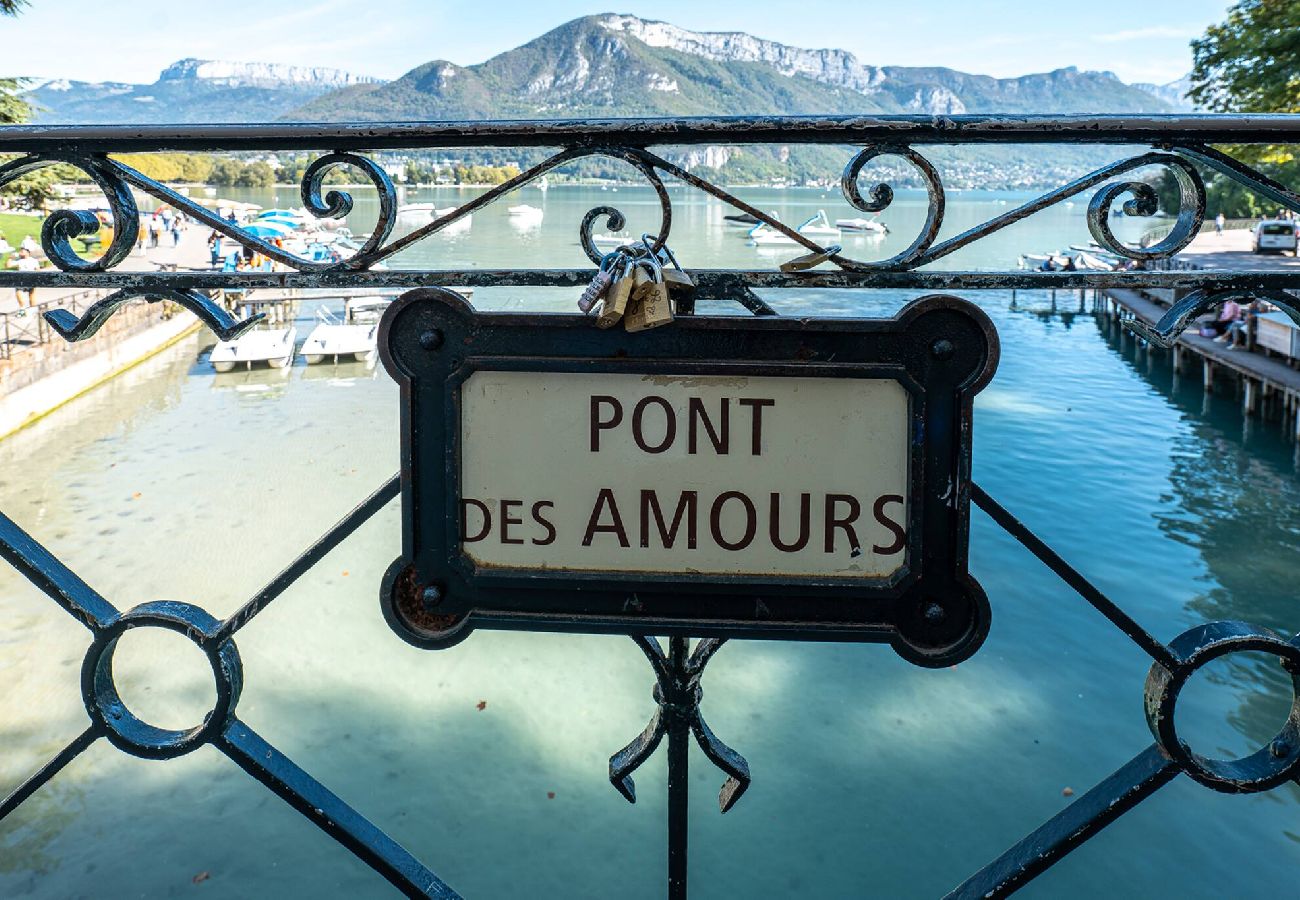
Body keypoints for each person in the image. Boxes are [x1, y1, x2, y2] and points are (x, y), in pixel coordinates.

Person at [8, 247, 40, 313]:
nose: (20, 252)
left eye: (22, 251)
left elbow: (38, 269)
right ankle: (22, 308)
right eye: (20, 251)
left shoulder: (33, 260)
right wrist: (10, 258)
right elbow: (8, 265)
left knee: (31, 294)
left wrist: (37, 278)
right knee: (18, 292)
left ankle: (33, 308)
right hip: (21, 280)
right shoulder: (19, 260)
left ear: (28, 253)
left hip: (31, 279)